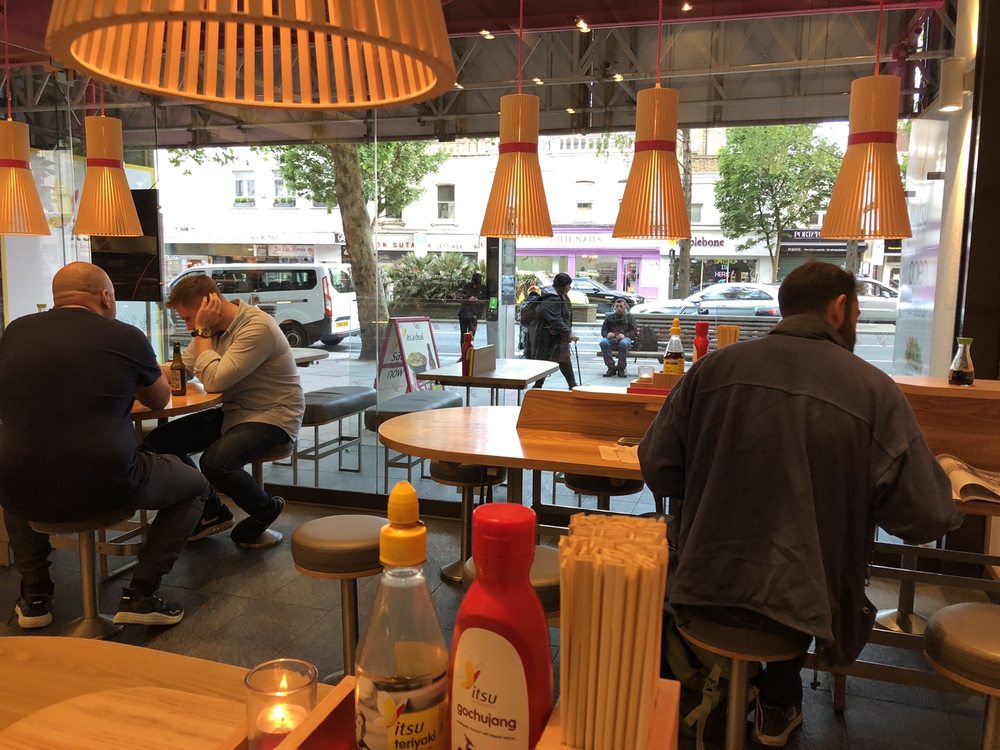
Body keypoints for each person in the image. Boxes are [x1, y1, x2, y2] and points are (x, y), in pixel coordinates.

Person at [638, 261, 961, 747]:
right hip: (809, 606)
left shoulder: (713, 369)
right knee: (804, 564)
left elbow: (658, 466)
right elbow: (926, 517)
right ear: (839, 308)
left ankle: (733, 691)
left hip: (703, 588)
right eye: (856, 313)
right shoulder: (873, 390)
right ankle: (778, 699)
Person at [0, 262, 211, 628]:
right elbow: (160, 399)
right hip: (107, 480)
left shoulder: (14, 332)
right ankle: (141, 594)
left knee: (18, 477)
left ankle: (34, 597)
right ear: (106, 297)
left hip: (18, 479)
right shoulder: (124, 336)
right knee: (195, 486)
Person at [142, 274, 304, 550]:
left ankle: (267, 509)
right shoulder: (211, 332)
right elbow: (183, 369)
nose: (189, 326)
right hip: (233, 412)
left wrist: (202, 332)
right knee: (157, 443)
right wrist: (143, 372)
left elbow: (215, 381)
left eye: (190, 319)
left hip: (274, 415)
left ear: (210, 304)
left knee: (215, 462)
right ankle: (212, 510)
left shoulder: (256, 327)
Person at [527, 272, 579, 389]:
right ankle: (538, 387)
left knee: (564, 360)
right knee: (547, 363)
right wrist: (568, 333)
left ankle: (572, 385)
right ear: (562, 286)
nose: (570, 287)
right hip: (548, 337)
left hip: (557, 336)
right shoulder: (551, 299)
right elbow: (555, 319)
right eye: (568, 285)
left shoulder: (560, 296)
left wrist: (567, 333)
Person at [599, 297, 638, 378]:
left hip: (625, 338)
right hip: (612, 338)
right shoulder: (610, 317)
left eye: (621, 306)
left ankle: (621, 368)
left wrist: (625, 335)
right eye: (617, 306)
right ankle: (611, 367)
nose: (618, 308)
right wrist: (607, 334)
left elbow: (634, 331)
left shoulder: (629, 317)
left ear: (625, 307)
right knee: (603, 342)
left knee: (623, 343)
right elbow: (603, 330)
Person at [458, 272, 488, 343]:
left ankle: (469, 348)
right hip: (464, 313)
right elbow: (461, 296)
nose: (474, 285)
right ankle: (464, 348)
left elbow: (485, 300)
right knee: (463, 334)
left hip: (474, 313)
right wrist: (468, 298)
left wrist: (477, 300)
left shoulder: (482, 288)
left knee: (471, 335)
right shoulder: (466, 286)